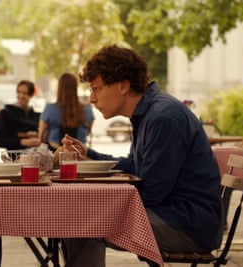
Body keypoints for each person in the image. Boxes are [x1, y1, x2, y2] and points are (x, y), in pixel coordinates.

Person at [61, 45, 223, 266]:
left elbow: (152, 191)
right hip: (174, 215)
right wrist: (88, 153)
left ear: (123, 86)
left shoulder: (162, 118)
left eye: (96, 89)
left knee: (83, 222)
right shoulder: (149, 113)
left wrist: (100, 202)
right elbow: (134, 166)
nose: (91, 99)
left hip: (186, 224)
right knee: (80, 218)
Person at [38, 72, 94, 151]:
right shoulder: (87, 109)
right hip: (80, 153)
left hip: (55, 153)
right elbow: (88, 132)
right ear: (75, 87)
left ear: (59, 88)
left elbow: (42, 137)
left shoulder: (50, 109)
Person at [0, 80, 41, 150]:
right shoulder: (5, 113)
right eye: (19, 92)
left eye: (25, 93)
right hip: (15, 155)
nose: (21, 96)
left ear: (31, 95)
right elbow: (0, 141)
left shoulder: (37, 116)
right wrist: (23, 142)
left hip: (36, 153)